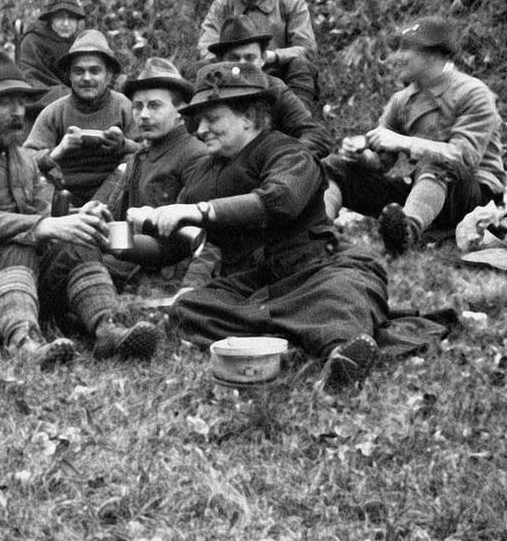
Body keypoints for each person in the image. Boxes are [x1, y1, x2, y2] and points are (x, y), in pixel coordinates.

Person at [138, 65, 389, 393]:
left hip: (314, 267)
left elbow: (280, 200)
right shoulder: (203, 173)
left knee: (342, 293)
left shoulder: (288, 152)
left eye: (212, 118)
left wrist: (197, 211)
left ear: (248, 116)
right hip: (251, 283)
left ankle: (340, 358)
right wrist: (143, 226)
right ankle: (294, 344)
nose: (200, 130)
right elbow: (184, 245)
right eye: (197, 121)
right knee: (188, 309)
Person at [0, 53, 161, 366]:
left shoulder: (22, 158)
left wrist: (80, 216)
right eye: (4, 103)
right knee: (19, 247)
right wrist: (42, 227)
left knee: (77, 241)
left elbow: (45, 209)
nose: (18, 113)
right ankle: (24, 343)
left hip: (6, 282)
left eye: (21, 103)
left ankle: (107, 329)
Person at [323, 17, 505, 256]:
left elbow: (465, 157)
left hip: (474, 196)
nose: (398, 56)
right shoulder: (402, 100)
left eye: (407, 48)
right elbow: (381, 164)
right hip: (425, 192)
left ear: (433, 55)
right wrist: (361, 155)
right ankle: (317, 231)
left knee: (437, 161)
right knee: (334, 166)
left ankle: (406, 233)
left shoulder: (473, 92)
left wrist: (404, 142)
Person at [89, 59, 210, 287]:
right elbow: (118, 214)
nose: (143, 115)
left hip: (164, 274)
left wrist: (109, 240)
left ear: (180, 111)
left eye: (154, 106)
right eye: (137, 106)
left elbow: (184, 245)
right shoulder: (139, 155)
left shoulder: (195, 157)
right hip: (131, 259)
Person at [195, 0, 322, 110]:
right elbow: (205, 48)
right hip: (232, 75)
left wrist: (270, 57)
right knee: (197, 69)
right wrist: (231, 62)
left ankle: (300, 121)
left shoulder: (289, 2)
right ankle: (201, 126)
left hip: (278, 75)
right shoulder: (222, 6)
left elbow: (307, 49)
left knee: (301, 65)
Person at [24, 29, 138, 205]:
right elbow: (25, 159)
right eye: (78, 71)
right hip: (64, 191)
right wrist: (58, 151)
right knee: (37, 178)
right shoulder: (55, 111)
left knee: (131, 165)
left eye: (94, 71)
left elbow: (150, 150)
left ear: (108, 76)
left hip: (114, 192)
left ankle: (95, 212)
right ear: (69, 76)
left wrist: (123, 144)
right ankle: (61, 219)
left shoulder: (123, 106)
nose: (86, 78)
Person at [203, 19, 333, 159]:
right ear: (220, 61)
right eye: (234, 58)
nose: (242, 66)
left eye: (250, 58)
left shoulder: (275, 89)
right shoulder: (208, 91)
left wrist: (283, 159)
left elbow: (316, 135)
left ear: (263, 59)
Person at [17, 0, 86, 89]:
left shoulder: (80, 44)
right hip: (42, 96)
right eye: (60, 17)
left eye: (71, 18)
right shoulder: (33, 41)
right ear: (51, 20)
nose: (66, 24)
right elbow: (29, 77)